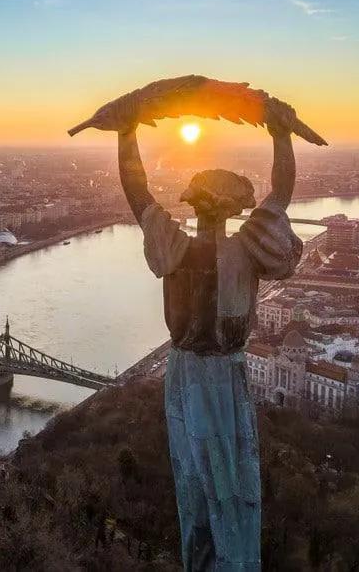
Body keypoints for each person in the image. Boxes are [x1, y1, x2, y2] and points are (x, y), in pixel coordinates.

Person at [113, 103, 303, 571]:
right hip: (222, 374)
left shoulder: (174, 250)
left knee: (194, 487)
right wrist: (281, 135)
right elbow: (282, 193)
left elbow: (136, 191)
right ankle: (232, 560)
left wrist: (126, 129)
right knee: (231, 484)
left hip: (186, 374)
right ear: (233, 207)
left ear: (195, 204)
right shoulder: (248, 249)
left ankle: (209, 560)